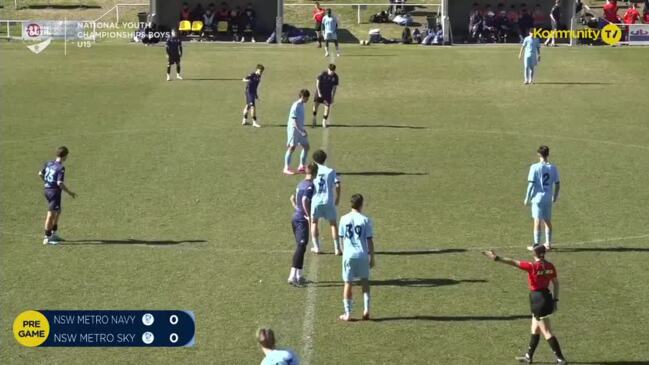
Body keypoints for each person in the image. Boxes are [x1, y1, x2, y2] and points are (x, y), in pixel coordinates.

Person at [482, 246, 566, 364]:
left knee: (546, 331)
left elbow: (513, 262)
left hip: (537, 300)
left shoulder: (532, 267)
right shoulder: (550, 266)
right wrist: (555, 300)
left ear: (534, 254)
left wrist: (497, 258)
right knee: (535, 329)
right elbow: (556, 284)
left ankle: (560, 359)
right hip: (547, 297)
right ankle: (528, 356)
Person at [338, 194, 375, 322]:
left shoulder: (343, 219)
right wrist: (372, 257)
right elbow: (369, 241)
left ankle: (347, 313)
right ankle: (366, 309)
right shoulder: (365, 219)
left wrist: (343, 252)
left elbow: (341, 238)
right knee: (365, 282)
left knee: (348, 283)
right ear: (361, 204)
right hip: (362, 254)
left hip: (349, 255)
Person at [288, 162, 318, 287]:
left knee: (302, 246)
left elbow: (294, 199)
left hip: (295, 217)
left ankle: (299, 275)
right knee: (301, 246)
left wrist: (295, 207)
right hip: (301, 220)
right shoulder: (310, 186)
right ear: (315, 173)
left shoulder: (300, 184)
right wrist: (308, 215)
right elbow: (305, 200)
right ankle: (292, 276)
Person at [524, 145, 560, 250]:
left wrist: (527, 198)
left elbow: (531, 185)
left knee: (537, 220)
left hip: (537, 197)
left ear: (538, 154)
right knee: (547, 220)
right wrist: (555, 196)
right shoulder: (553, 168)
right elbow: (557, 183)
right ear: (548, 154)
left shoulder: (534, 167)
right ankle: (548, 244)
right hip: (548, 197)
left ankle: (536, 245)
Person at [39, 146, 77, 245]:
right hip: (54, 192)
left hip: (47, 190)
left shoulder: (48, 163)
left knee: (58, 211)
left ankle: (53, 233)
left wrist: (47, 182)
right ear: (64, 156)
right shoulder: (61, 167)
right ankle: (47, 238)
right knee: (50, 214)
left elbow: (40, 173)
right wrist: (70, 192)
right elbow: (60, 183)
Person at [310, 149, 341, 255]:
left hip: (316, 200)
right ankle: (337, 249)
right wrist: (337, 198)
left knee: (314, 222)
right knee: (333, 224)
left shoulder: (312, 170)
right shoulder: (331, 171)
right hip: (328, 200)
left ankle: (316, 247)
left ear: (314, 160)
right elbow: (337, 184)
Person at [283, 90, 310, 175]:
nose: (308, 99)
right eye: (307, 98)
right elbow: (294, 122)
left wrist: (303, 129)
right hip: (294, 129)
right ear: (303, 97)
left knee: (306, 146)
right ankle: (286, 168)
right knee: (292, 147)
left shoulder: (302, 105)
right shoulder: (296, 106)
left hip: (300, 129)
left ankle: (301, 166)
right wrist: (301, 131)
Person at [312, 64, 339, 128]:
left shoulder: (335, 77)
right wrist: (318, 92)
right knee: (316, 105)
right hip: (320, 92)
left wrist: (333, 97)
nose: (332, 72)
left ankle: (324, 121)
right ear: (328, 69)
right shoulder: (323, 73)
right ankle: (314, 118)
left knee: (327, 107)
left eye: (333, 71)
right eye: (330, 70)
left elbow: (335, 87)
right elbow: (317, 83)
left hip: (327, 94)